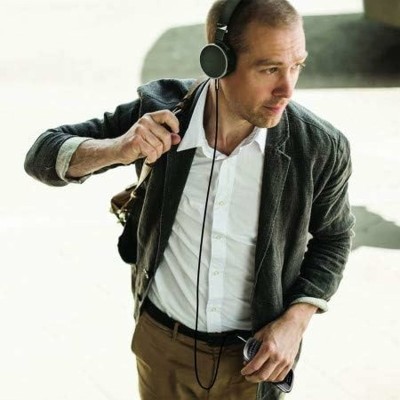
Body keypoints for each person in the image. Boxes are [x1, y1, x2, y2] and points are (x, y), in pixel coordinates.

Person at [24, 0, 355, 399]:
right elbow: (41, 156)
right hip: (162, 347)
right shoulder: (160, 110)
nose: (287, 89)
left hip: (254, 363)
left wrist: (296, 320)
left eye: (296, 65)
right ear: (218, 62)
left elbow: (335, 238)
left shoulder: (320, 147)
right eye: (269, 69)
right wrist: (119, 148)